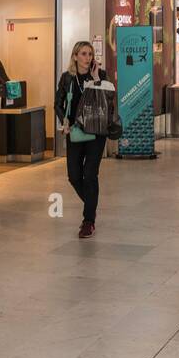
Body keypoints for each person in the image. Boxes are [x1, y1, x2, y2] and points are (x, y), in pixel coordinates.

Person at [55, 41, 107, 239]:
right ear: (75, 56)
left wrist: (95, 79)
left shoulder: (100, 76)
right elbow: (58, 104)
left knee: (90, 174)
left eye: (90, 54)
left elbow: (105, 100)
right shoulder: (67, 78)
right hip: (75, 132)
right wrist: (64, 121)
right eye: (84, 54)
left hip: (96, 132)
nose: (88, 58)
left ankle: (88, 221)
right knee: (74, 176)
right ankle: (91, 204)